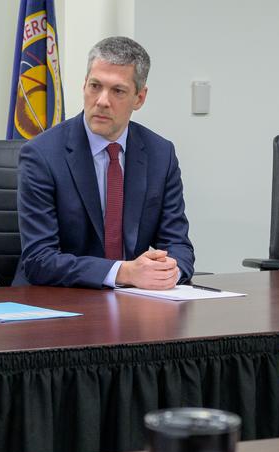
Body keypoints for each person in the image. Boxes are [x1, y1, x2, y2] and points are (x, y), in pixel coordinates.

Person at [15, 36, 194, 288]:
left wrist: (168, 272)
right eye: (95, 86)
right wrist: (123, 272)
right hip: (56, 301)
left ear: (139, 98)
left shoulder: (160, 154)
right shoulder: (41, 154)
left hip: (134, 302)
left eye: (118, 91)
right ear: (84, 85)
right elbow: (39, 260)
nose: (101, 101)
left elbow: (178, 244)